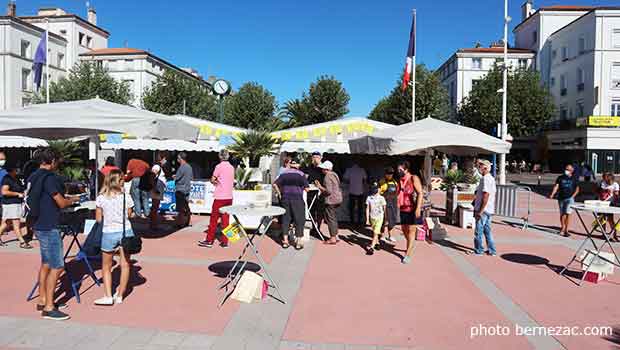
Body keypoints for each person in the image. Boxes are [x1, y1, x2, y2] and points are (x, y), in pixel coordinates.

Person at [28, 148, 79, 320]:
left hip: (38, 223)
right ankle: (49, 307)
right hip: (50, 225)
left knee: (46, 264)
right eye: (58, 161)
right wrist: (73, 200)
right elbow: (61, 202)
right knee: (57, 266)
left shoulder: (34, 176)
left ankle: (43, 299)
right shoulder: (49, 178)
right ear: (53, 161)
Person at [199, 149, 234, 248]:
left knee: (214, 220)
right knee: (226, 220)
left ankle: (209, 240)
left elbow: (213, 179)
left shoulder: (218, 167)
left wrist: (216, 183)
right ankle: (225, 242)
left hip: (220, 196)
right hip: (229, 196)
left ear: (220, 156)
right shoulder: (231, 167)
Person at [274, 158, 308, 250]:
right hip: (297, 199)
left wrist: (280, 194)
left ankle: (285, 241)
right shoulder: (301, 174)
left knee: (286, 219)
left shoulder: (284, 173)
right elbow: (307, 188)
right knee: (299, 219)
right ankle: (298, 242)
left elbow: (275, 184)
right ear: (297, 165)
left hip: (285, 198)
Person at [397, 161, 423, 264]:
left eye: (400, 170)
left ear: (406, 169)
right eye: (398, 169)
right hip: (403, 208)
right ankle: (410, 243)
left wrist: (418, 208)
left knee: (411, 231)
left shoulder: (413, 178)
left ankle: (408, 254)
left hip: (412, 208)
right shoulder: (400, 180)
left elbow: (420, 193)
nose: (398, 171)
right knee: (404, 229)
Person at [1, 163, 30, 248]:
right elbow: (4, 192)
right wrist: (17, 194)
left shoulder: (16, 178)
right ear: (12, 170)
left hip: (16, 203)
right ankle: (22, 242)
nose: (17, 170)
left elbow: (21, 188)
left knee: (7, 222)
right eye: (16, 169)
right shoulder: (7, 179)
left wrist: (23, 193)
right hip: (10, 203)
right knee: (16, 223)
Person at [314, 160, 342, 244]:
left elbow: (328, 191)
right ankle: (336, 235)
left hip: (331, 200)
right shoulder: (334, 174)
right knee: (333, 217)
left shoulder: (327, 176)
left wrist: (319, 187)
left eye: (322, 168)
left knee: (330, 218)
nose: (321, 170)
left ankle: (333, 238)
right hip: (337, 198)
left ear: (326, 169)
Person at [473, 160, 497, 256]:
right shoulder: (491, 178)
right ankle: (492, 250)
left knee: (478, 231)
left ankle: (479, 250)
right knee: (487, 231)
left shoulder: (486, 179)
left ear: (485, 168)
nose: (479, 168)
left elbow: (485, 195)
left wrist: (480, 211)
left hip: (483, 210)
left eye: (481, 166)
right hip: (489, 209)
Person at [549, 164, 580, 237]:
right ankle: (562, 227)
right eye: (566, 169)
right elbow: (556, 186)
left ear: (572, 171)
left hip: (569, 198)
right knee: (562, 214)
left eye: (568, 169)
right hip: (561, 198)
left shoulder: (574, 178)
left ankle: (566, 229)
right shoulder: (560, 178)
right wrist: (552, 194)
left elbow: (577, 189)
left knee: (568, 213)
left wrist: (573, 196)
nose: (566, 171)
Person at [304, 151, 324, 236]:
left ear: (320, 158)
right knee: (311, 210)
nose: (314, 159)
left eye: (316, 157)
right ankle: (313, 227)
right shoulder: (309, 167)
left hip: (320, 193)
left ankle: (318, 228)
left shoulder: (323, 168)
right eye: (313, 157)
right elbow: (305, 178)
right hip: (311, 193)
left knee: (320, 211)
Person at [343, 162, 367, 227]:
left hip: (352, 191)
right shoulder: (362, 170)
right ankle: (359, 222)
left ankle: (352, 222)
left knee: (351, 208)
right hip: (360, 192)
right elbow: (365, 179)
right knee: (360, 208)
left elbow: (345, 179)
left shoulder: (349, 170)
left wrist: (350, 182)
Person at [365, 182, 387, 256]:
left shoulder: (382, 198)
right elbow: (368, 209)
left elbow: (384, 209)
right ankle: (377, 243)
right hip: (372, 217)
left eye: (376, 189)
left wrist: (385, 219)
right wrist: (367, 219)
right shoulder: (369, 198)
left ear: (379, 189)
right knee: (375, 232)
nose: (375, 190)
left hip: (379, 217)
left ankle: (371, 248)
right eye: (373, 189)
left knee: (375, 232)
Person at [379, 167, 399, 242]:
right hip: (384, 203)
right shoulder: (382, 181)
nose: (390, 175)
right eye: (389, 173)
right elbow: (379, 193)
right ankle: (382, 235)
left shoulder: (394, 182)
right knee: (383, 220)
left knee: (392, 219)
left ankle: (391, 236)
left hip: (393, 203)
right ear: (385, 174)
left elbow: (397, 191)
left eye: (391, 174)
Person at [174, 152, 193, 228]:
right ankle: (187, 222)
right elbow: (191, 177)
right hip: (187, 188)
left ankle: (180, 223)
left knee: (180, 208)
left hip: (180, 189)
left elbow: (177, 177)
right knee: (186, 206)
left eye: (178, 158)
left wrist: (174, 176)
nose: (177, 160)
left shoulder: (182, 167)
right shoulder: (189, 167)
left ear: (181, 159)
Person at [149, 164, 167, 230]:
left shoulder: (158, 167)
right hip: (157, 187)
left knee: (155, 206)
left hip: (158, 186)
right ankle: (153, 224)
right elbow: (152, 176)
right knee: (155, 207)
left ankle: (153, 223)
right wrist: (154, 188)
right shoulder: (157, 166)